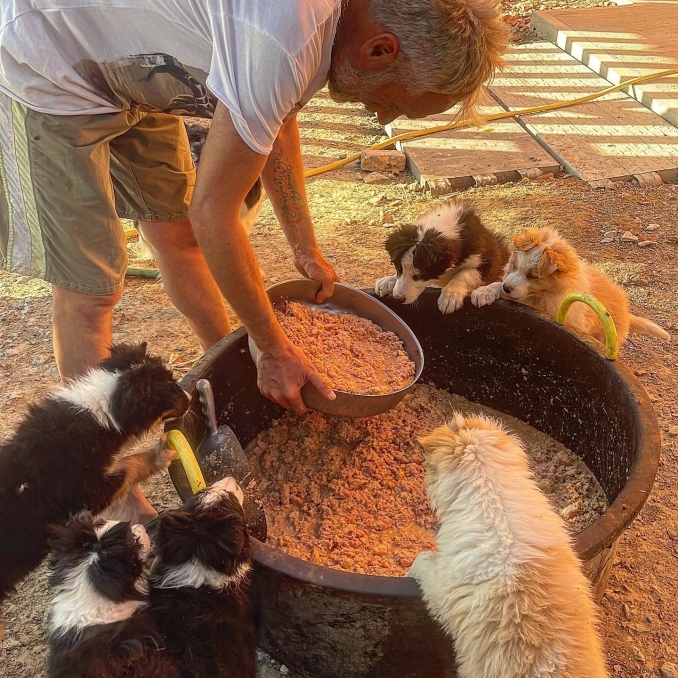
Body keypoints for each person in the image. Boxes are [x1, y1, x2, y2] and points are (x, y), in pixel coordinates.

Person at [0, 0, 506, 410]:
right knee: (90, 288)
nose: (381, 115)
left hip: (137, 64)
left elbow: (276, 117)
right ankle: (102, 470)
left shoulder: (318, 34)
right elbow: (215, 212)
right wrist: (272, 344)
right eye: (395, 103)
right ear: (380, 49)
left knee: (179, 241)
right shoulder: (287, 36)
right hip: (51, 61)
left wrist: (303, 246)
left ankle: (223, 365)